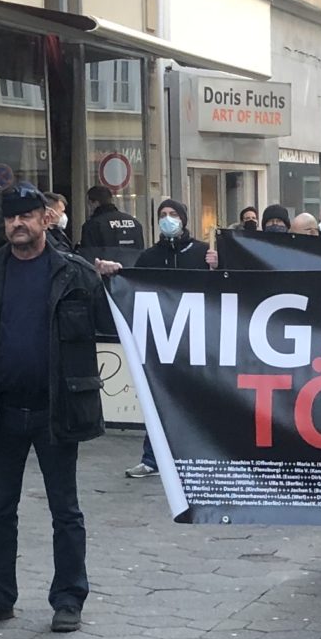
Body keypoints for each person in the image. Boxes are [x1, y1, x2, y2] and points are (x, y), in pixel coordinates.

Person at [0, 185, 109, 633]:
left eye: (27, 216)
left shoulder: (75, 274)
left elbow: (115, 323)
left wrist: (116, 282)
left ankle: (68, 598)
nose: (17, 224)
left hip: (57, 410)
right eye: (11, 217)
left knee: (65, 510)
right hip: (2, 410)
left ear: (45, 220)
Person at [127, 199, 216, 481]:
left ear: (184, 219)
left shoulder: (203, 253)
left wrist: (218, 266)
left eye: (173, 214)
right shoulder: (148, 257)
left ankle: (200, 456)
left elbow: (224, 288)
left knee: (198, 398)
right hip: (161, 339)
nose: (168, 219)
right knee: (159, 399)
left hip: (197, 338)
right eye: (163, 214)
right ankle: (151, 458)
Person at [80, 182, 143, 259]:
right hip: (132, 266)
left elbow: (89, 257)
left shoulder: (92, 226)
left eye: (89, 204)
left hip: (106, 266)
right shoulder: (134, 223)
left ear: (95, 203)